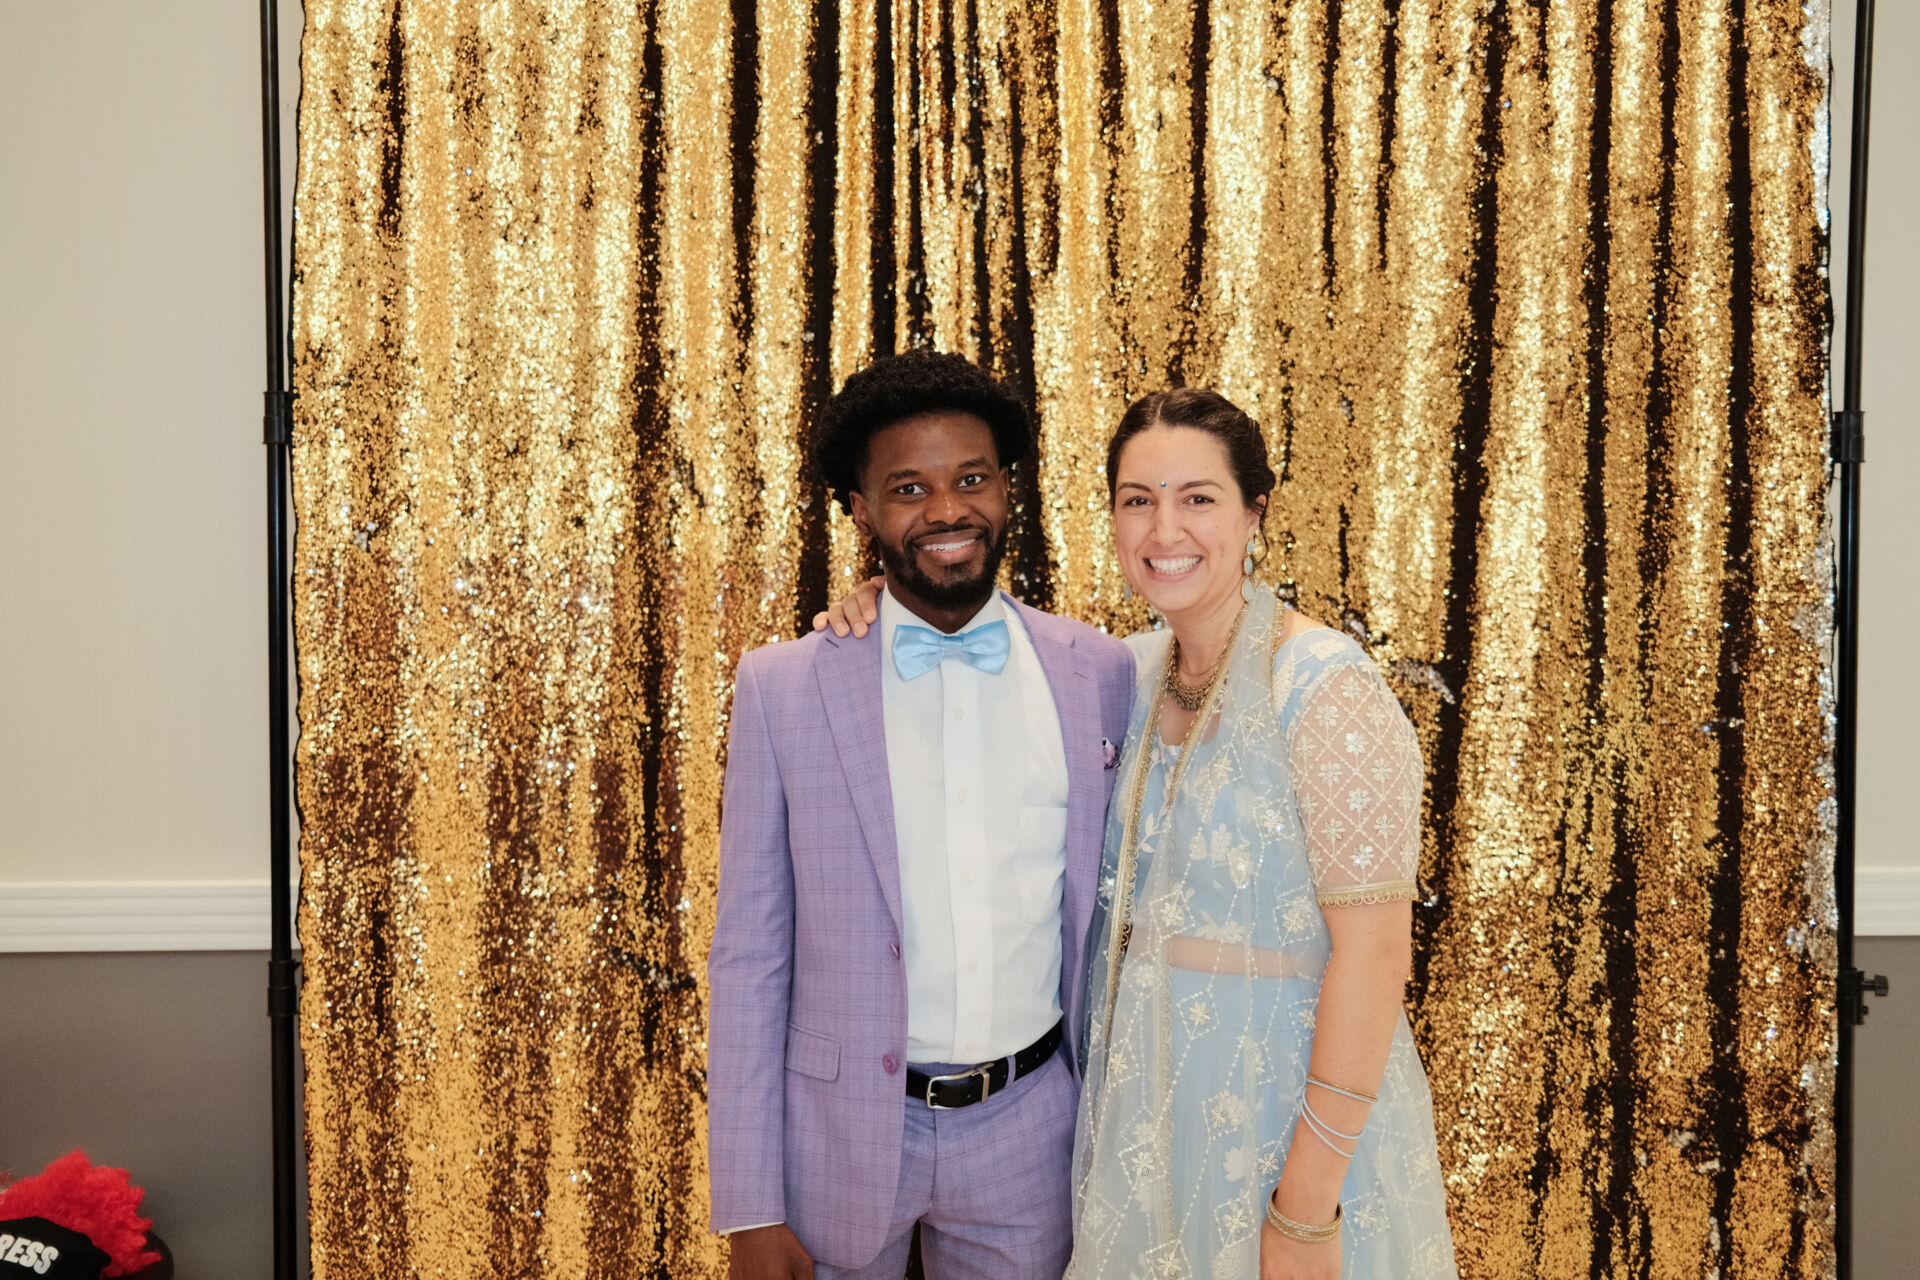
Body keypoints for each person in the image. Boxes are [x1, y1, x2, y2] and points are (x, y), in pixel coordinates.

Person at [820, 388, 1457, 1280]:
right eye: (1137, 500)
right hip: (1138, 1130)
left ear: (1254, 512)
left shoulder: (1323, 688)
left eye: (1198, 498)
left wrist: (1308, 1207)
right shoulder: (1125, 671)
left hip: (1283, 1130)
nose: (1165, 530)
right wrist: (880, 605)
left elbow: (1377, 956)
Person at [706, 350, 1136, 1280]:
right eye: (909, 488)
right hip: (835, 1134)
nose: (946, 510)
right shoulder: (784, 687)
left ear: (1007, 488)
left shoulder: (1100, 672)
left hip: (1032, 1129)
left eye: (970, 479)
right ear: (861, 511)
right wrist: (750, 1201)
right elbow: (749, 955)